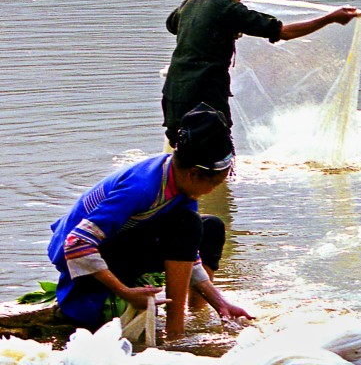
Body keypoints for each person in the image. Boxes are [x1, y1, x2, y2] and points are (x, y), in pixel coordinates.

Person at [49, 105, 253, 335]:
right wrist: (125, 292)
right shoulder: (141, 188)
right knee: (188, 223)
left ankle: (198, 313)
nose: (212, 190)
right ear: (194, 173)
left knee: (211, 227)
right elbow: (76, 242)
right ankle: (175, 332)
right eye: (214, 184)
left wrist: (221, 303)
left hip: (119, 245)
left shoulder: (180, 184)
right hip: (80, 258)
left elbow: (187, 252)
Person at [162, 0, 361, 143]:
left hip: (174, 96)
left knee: (182, 151)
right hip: (205, 99)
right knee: (214, 156)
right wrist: (330, 18)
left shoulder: (194, 1)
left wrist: (194, 2)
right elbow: (284, 32)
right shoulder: (228, 9)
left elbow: (172, 24)